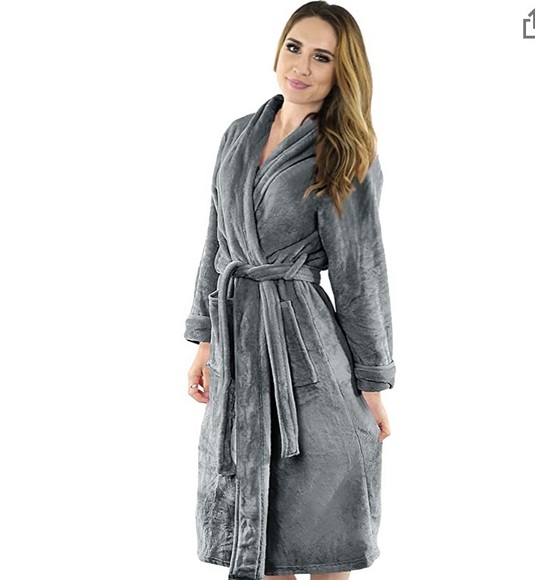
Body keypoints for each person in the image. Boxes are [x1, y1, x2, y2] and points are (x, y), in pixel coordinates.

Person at [184, 2, 396, 579]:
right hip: (238, 348)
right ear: (278, 49)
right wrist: (205, 340)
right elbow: (216, 242)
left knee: (323, 531)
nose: (301, 66)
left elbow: (360, 274)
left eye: (322, 57)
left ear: (342, 71)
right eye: (294, 47)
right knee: (265, 540)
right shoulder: (238, 134)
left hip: (308, 354)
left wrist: (372, 383)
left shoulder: (342, 150)